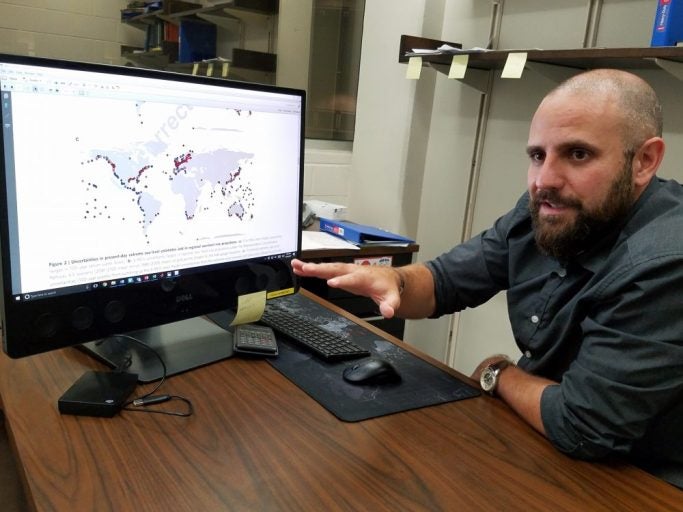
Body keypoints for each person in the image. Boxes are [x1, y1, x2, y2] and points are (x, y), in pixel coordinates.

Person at [292, 69, 683, 488]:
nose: (544, 181)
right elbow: (444, 282)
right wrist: (397, 281)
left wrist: (499, 372)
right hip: (548, 442)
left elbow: (582, 425)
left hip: (639, 480)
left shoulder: (664, 260)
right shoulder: (548, 209)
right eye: (537, 156)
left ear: (644, 161)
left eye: (578, 154)